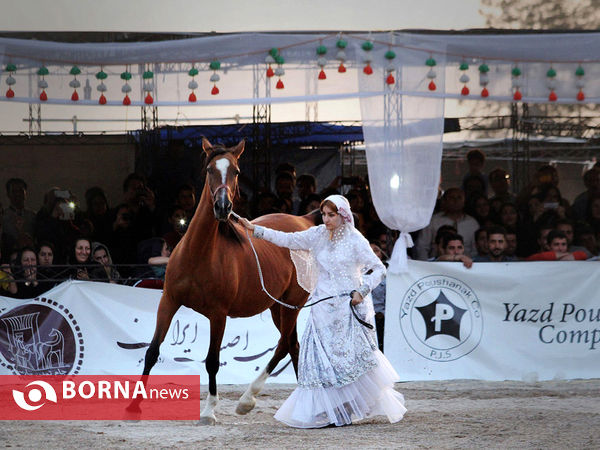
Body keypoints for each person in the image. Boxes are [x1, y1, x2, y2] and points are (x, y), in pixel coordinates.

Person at [238, 195, 406, 428]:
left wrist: (362, 291)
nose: (326, 219)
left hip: (349, 308)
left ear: (343, 215)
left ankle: (345, 408)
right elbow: (287, 239)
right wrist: (255, 229)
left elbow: (378, 269)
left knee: (348, 361)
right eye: (324, 214)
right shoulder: (316, 235)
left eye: (331, 215)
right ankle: (326, 410)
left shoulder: (355, 240)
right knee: (320, 362)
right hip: (322, 307)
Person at [415, 188, 479, 260]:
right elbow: (422, 246)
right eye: (451, 197)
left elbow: (475, 249)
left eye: (459, 197)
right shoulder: (433, 220)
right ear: (444, 201)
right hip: (436, 265)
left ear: (464, 201)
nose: (455, 200)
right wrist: (425, 266)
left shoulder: (472, 223)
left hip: (466, 266)